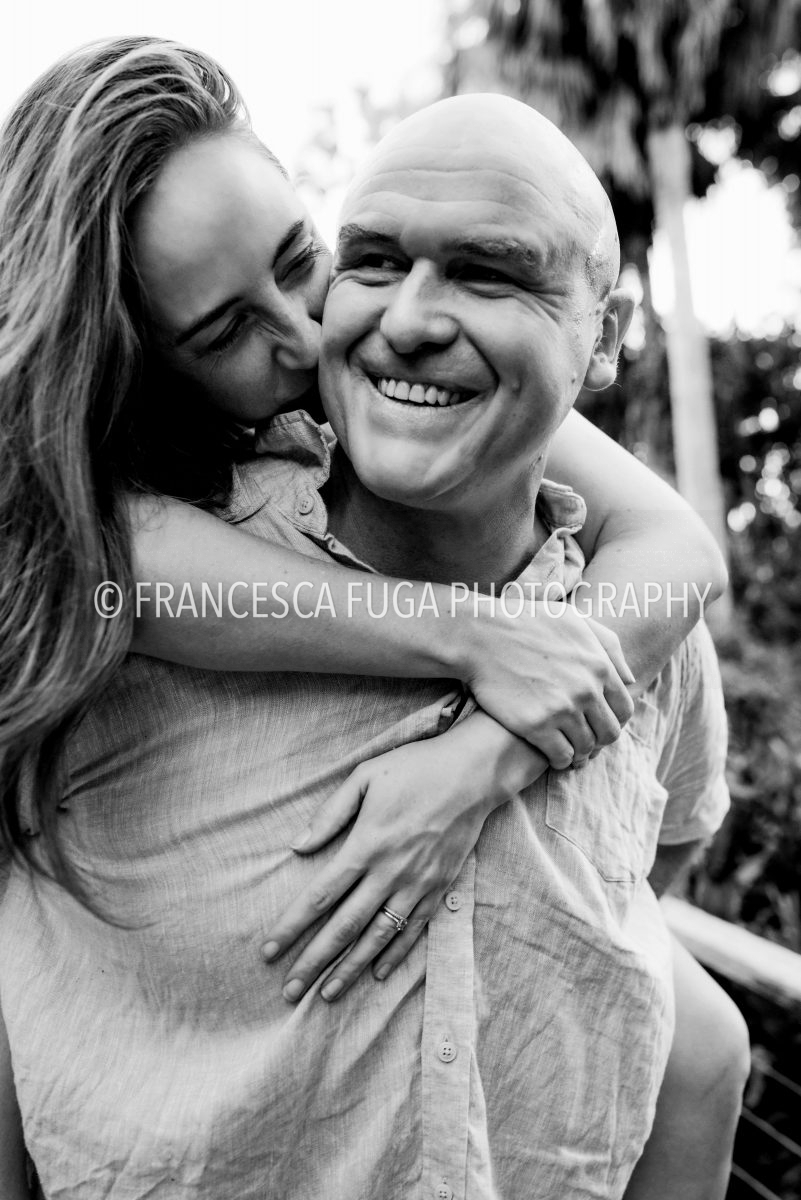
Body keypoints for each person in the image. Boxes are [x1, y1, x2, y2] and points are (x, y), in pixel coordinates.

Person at [0, 39, 747, 1200]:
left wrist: (482, 761)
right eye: (224, 333)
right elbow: (104, 562)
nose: (309, 339)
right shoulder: (89, 581)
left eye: (301, 261)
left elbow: (676, 547)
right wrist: (471, 637)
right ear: (143, 368)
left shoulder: (590, 559)